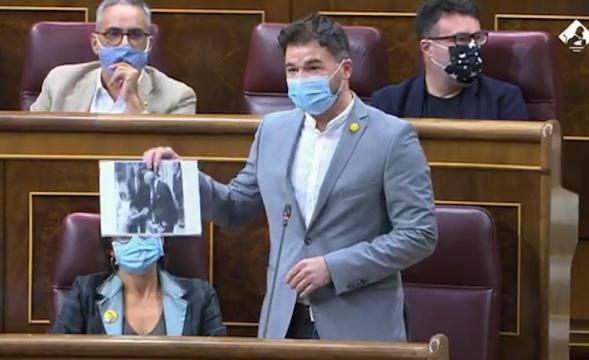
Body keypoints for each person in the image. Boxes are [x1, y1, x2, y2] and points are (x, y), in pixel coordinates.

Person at [143, 14, 437, 341]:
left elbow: (419, 234)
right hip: (284, 321)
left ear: (346, 70)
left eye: (313, 68)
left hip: (359, 325)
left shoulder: (392, 137)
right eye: (291, 70)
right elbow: (235, 208)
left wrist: (334, 267)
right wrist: (183, 176)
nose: (300, 79)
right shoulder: (273, 130)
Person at [30, 0, 196, 114]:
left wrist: (132, 101)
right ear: (95, 43)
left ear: (149, 44)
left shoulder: (178, 97)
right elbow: (30, 145)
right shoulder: (59, 83)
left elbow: (173, 160)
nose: (124, 44)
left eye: (135, 34)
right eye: (113, 33)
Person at [371, 0, 528, 120]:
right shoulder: (389, 103)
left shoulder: (503, 102)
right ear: (427, 48)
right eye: (461, 39)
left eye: (477, 38)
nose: (473, 46)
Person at [51, 235, 226, 336]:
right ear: (110, 246)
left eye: (145, 231)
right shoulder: (85, 292)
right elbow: (54, 354)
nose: (136, 240)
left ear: (162, 238)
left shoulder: (200, 296)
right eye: (125, 234)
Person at [127, 166, 150, 233]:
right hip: (134, 207)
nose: (136, 171)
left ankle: (143, 239)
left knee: (143, 227)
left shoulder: (144, 181)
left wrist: (146, 208)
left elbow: (147, 195)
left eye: (137, 170)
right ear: (133, 171)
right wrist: (132, 207)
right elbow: (130, 194)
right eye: (135, 170)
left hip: (143, 207)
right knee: (134, 226)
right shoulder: (130, 181)